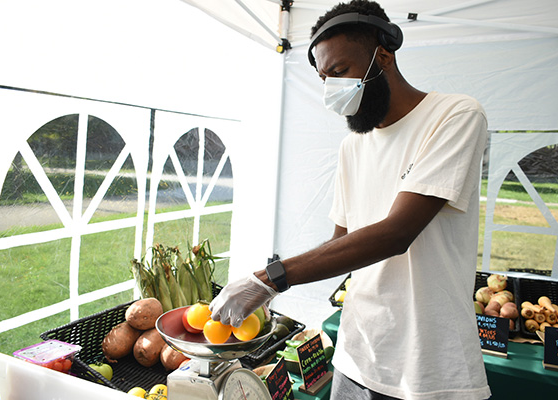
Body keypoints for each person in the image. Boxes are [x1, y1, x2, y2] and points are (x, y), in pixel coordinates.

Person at [210, 1, 491, 399]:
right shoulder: (351, 148)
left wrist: (272, 278)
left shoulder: (454, 116)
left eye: (340, 72)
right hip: (356, 356)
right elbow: (342, 243)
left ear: (384, 55)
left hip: (428, 367)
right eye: (324, 78)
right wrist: (267, 289)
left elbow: (397, 234)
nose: (332, 89)